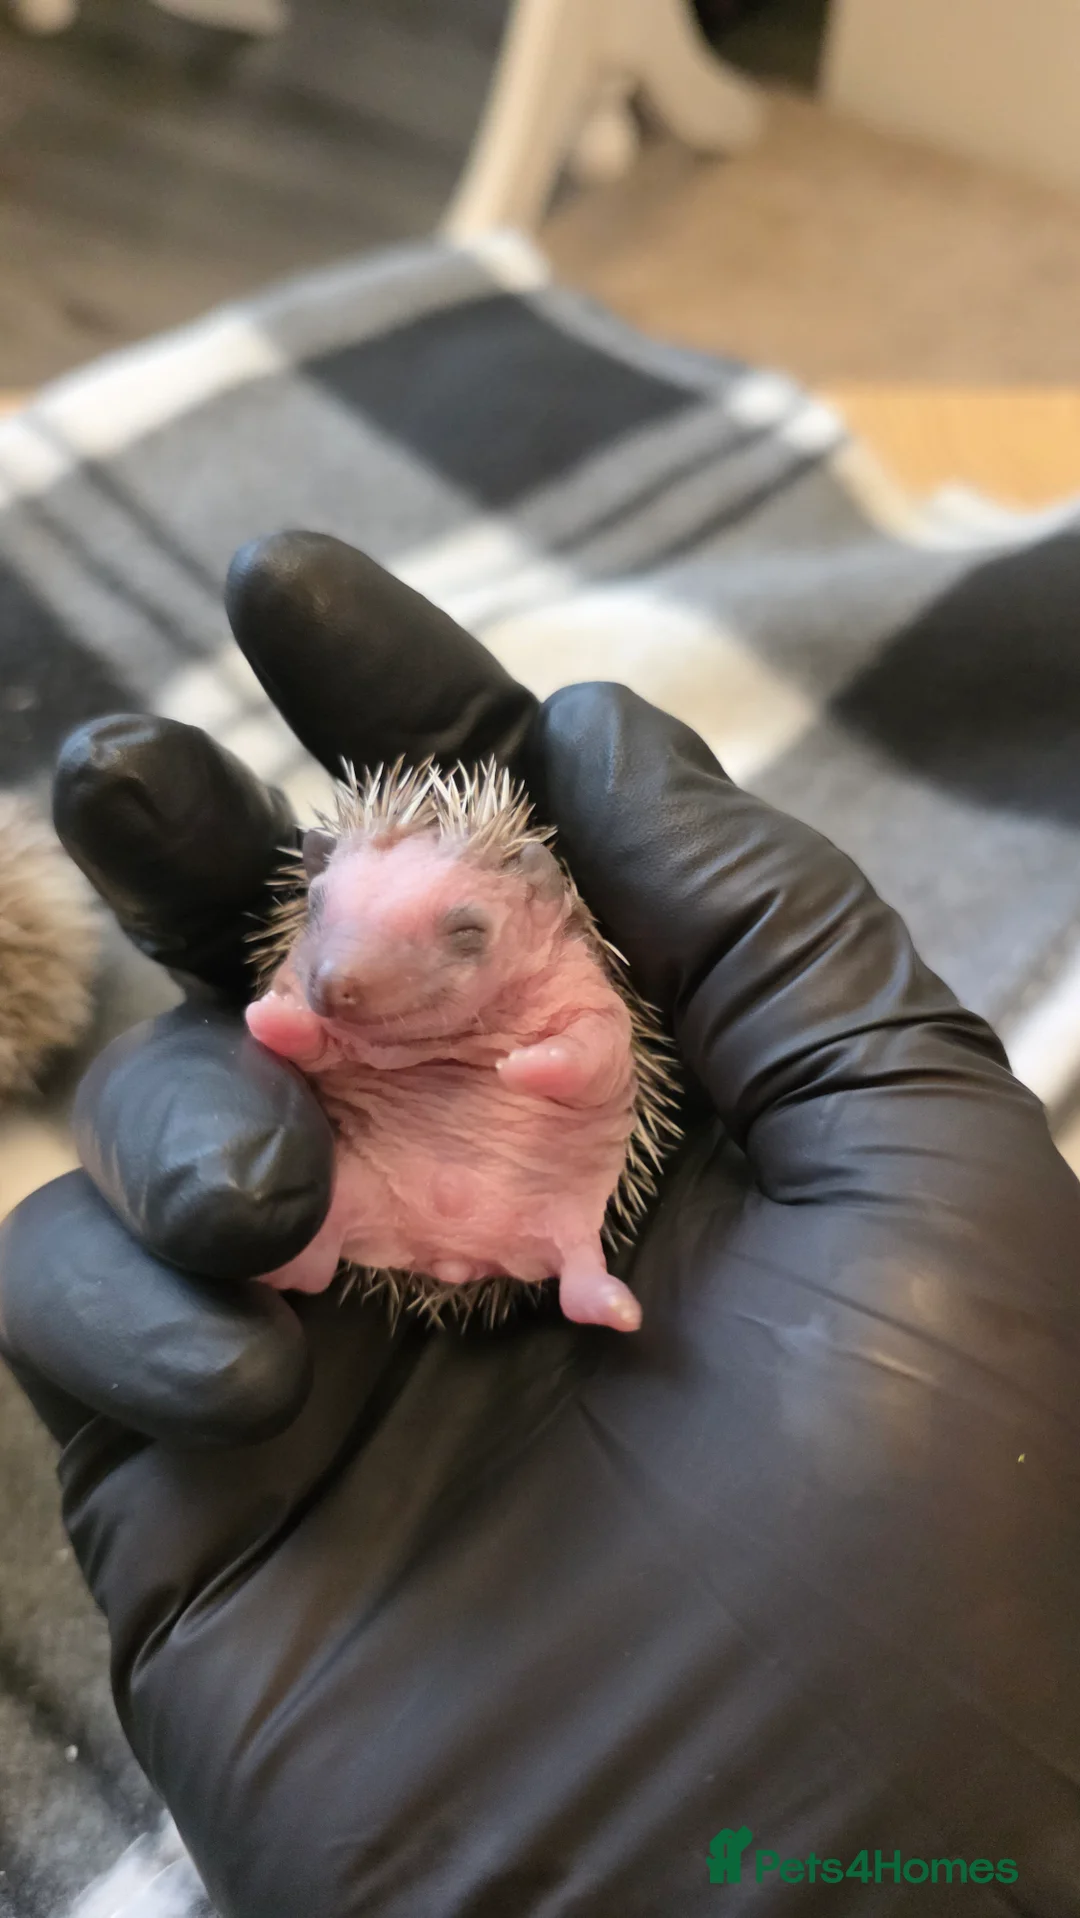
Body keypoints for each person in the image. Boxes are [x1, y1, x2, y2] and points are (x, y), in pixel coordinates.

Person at [1, 531, 1078, 1915]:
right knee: (263, 1172)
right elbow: (318, 1002)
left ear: (505, 922)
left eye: (438, 943)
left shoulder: (558, 957)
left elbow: (585, 1060)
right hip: (401, 1162)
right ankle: (311, 1238)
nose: (341, 973)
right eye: (326, 933)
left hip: (535, 1178)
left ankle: (547, 1263)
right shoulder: (342, 952)